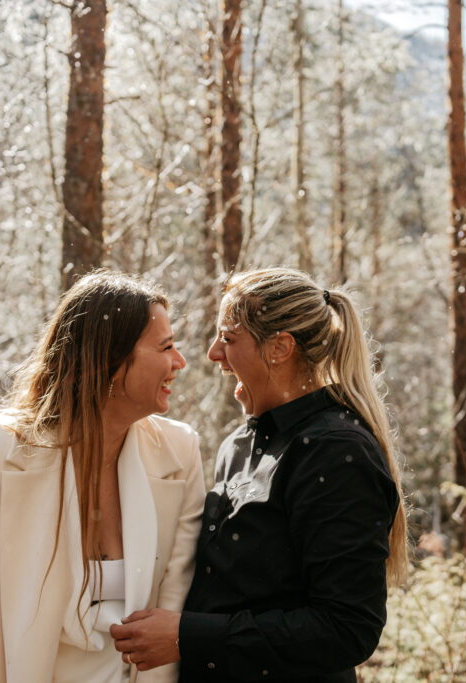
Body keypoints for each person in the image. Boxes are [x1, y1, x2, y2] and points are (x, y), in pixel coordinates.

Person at [110, 267, 408, 682]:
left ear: (279, 348)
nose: (213, 354)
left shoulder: (336, 452)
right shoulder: (239, 444)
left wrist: (187, 635)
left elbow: (347, 629)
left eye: (228, 339)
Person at [0, 270, 206, 683]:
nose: (180, 361)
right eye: (167, 346)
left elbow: (171, 615)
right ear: (108, 361)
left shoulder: (180, 454)